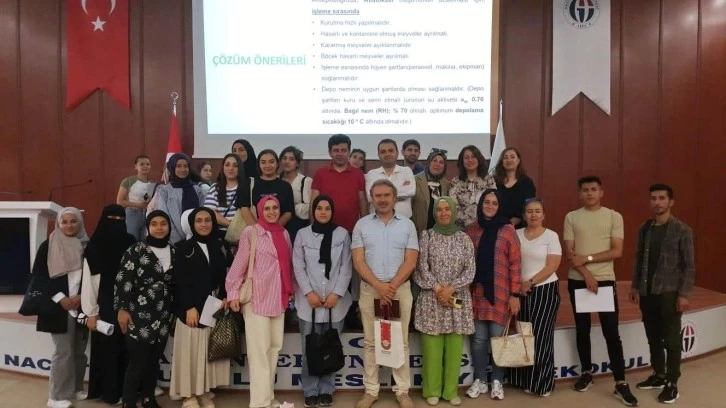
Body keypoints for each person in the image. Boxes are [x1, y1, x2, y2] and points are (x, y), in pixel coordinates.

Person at [563, 176, 638, 406]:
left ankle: (620, 382)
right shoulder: (571, 217)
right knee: (582, 329)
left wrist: (587, 258)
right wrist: (586, 275)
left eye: (594, 189)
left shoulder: (614, 216)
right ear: (579, 194)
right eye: (585, 190)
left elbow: (617, 251)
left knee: (611, 332)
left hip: (605, 281)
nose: (589, 193)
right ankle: (587, 373)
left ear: (601, 192)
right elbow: (570, 254)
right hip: (579, 280)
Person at [352, 179, 419, 408]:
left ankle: (402, 391)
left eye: (386, 195)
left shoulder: (407, 225)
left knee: (401, 342)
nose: (382, 200)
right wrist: (379, 286)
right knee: (371, 343)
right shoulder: (361, 225)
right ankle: (371, 391)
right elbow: (358, 261)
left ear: (394, 197)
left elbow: (411, 260)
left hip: (399, 290)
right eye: (378, 196)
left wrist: (391, 286)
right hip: (371, 290)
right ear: (371, 198)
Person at [226, 196, 294, 408]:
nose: (272, 212)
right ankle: (259, 403)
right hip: (257, 299)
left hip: (278, 299)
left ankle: (268, 397)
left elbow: (288, 265)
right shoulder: (251, 232)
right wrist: (233, 293)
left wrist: (290, 290)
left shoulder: (284, 233)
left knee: (273, 350)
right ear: (259, 211)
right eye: (267, 208)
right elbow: (239, 265)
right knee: (259, 354)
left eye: (275, 208)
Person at [630, 184, 695, 404]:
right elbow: (639, 258)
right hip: (647, 292)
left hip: (670, 293)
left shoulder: (682, 230)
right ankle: (659, 374)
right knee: (653, 337)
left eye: (661, 198)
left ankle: (672, 382)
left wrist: (684, 295)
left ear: (671, 202)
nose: (657, 202)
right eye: (653, 198)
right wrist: (635, 286)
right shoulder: (645, 228)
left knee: (672, 340)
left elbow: (689, 266)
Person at [414, 196, 475, 406]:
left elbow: (470, 269)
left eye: (447, 209)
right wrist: (438, 288)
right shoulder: (426, 236)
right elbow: (421, 267)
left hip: (457, 298)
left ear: (454, 212)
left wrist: (451, 289)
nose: (443, 213)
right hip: (432, 298)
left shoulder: (464, 239)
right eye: (439, 209)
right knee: (432, 348)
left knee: (454, 349)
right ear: (434, 213)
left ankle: (450, 391)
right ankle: (432, 390)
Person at [293, 195, 352, 408]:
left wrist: (336, 293)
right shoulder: (302, 235)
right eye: (319, 208)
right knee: (309, 348)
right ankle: (310, 390)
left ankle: (327, 390)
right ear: (313, 211)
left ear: (332, 211)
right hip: (308, 303)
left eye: (327, 208)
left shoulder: (342, 234)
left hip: (334, 303)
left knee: (330, 346)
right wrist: (309, 293)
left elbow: (346, 266)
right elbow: (298, 266)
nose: (323, 212)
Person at [115, 211, 176, 408]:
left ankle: (149, 398)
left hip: (164, 314)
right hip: (139, 314)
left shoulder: (174, 251)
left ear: (169, 227)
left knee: (154, 360)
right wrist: (122, 309)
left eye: (163, 223)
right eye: (154, 224)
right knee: (137, 360)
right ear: (148, 227)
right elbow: (123, 280)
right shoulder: (136, 250)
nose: (159, 228)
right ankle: (129, 402)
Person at [170, 208, 230, 408]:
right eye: (199, 221)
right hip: (191, 310)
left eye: (207, 220)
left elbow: (224, 276)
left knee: (204, 353)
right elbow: (180, 280)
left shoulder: (219, 246)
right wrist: (189, 307)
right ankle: (189, 395)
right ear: (192, 224)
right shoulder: (183, 248)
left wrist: (224, 298)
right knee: (190, 354)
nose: (204, 224)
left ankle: (202, 391)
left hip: (212, 307)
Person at [464, 189, 521, 401]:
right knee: (479, 340)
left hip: (501, 293)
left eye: (494, 203)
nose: (489, 206)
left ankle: (497, 381)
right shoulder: (472, 229)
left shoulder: (508, 230)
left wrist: (515, 294)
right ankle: (480, 380)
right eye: (486, 202)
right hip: (477, 292)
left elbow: (515, 264)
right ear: (481, 204)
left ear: (499, 207)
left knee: (498, 339)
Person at [32, 207, 89, 408]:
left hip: (82, 304)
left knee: (79, 351)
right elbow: (39, 277)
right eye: (64, 222)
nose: (69, 225)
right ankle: (56, 396)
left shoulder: (87, 245)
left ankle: (76, 388)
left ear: (80, 222)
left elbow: (93, 275)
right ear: (58, 223)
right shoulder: (48, 246)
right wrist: (61, 298)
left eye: (73, 221)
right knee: (63, 351)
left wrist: (82, 296)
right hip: (58, 306)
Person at [81, 205, 136, 405]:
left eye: (120, 220)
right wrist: (91, 312)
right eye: (112, 219)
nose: (116, 224)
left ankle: (127, 391)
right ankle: (109, 392)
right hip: (104, 303)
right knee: (108, 348)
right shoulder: (95, 245)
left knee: (128, 349)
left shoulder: (131, 242)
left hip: (130, 302)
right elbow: (89, 280)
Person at [508, 198, 562, 397]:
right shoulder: (516, 234)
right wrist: (517, 289)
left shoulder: (551, 236)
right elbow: (510, 261)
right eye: (529, 211)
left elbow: (552, 265)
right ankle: (524, 380)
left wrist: (530, 282)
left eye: (537, 211)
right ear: (524, 215)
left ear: (543, 215)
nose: (533, 215)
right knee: (523, 336)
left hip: (544, 291)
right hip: (519, 292)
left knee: (541, 338)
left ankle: (542, 384)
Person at [235, 149, 295, 228]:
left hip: (278, 230)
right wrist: (259, 230)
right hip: (254, 231)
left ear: (277, 164)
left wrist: (273, 229)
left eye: (271, 162)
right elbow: (244, 208)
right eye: (263, 162)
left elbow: (289, 212)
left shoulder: (285, 186)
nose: (267, 165)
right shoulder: (249, 183)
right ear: (259, 165)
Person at [156, 153, 206, 244]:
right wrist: (177, 240)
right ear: (172, 168)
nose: (183, 169)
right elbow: (164, 216)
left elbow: (203, 212)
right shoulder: (164, 190)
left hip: (196, 238)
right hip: (173, 240)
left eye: (186, 166)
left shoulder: (197, 189)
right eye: (178, 166)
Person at [365, 139, 416, 218]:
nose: (387, 154)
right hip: (377, 221)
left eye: (391, 151)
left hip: (404, 221)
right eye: (383, 152)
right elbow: (370, 197)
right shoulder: (372, 174)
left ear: (397, 153)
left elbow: (411, 191)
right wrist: (400, 193)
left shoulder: (406, 171)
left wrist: (380, 195)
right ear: (378, 155)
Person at [450, 145, 496, 229]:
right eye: (466, 157)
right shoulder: (455, 182)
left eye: (473, 157)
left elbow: (493, 203)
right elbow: (453, 206)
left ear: (479, 159)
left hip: (486, 227)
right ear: (462, 161)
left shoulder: (489, 180)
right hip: (462, 229)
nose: (470, 160)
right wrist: (469, 224)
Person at [491, 148, 536, 229]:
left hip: (520, 227)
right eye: (505, 157)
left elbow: (529, 205)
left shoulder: (527, 183)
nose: (509, 160)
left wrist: (513, 222)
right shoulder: (493, 181)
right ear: (502, 161)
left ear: (518, 160)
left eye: (512, 157)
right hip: (495, 225)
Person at [204, 153, 245, 238]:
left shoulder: (246, 187)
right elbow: (210, 212)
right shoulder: (215, 188)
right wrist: (231, 225)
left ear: (240, 168)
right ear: (223, 168)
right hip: (219, 235)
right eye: (227, 165)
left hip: (242, 235)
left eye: (235, 165)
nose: (231, 168)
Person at [411, 149, 451, 235]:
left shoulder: (447, 185)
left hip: (440, 234)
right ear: (429, 162)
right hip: (419, 233)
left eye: (441, 162)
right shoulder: (415, 180)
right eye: (434, 160)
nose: (437, 164)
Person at [117, 155, 155, 240]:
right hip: (132, 214)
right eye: (142, 164)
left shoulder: (152, 183)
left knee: (145, 241)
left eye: (148, 164)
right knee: (131, 240)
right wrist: (139, 205)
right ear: (135, 166)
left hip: (147, 214)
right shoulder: (128, 180)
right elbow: (120, 201)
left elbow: (148, 199)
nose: (145, 166)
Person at [280, 146, 313, 243]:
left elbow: (309, 208)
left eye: (291, 159)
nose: (287, 161)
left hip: (298, 226)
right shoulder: (277, 180)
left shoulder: (306, 181)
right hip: (279, 224)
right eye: (284, 158)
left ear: (297, 163)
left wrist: (290, 208)